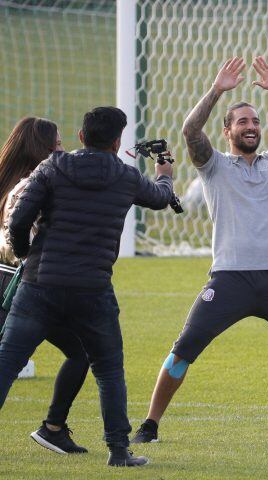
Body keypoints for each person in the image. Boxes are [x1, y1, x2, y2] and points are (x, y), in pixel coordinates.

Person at [130, 55, 268, 444]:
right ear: (227, 131)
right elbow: (189, 130)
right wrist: (218, 90)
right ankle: (150, 425)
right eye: (242, 122)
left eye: (255, 122)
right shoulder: (213, 166)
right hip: (229, 279)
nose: (251, 127)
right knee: (184, 348)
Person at [0, 106, 175, 467]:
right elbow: (159, 198)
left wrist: (26, 255)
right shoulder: (126, 176)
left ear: (81, 136)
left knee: (6, 363)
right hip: (92, 290)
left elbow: (18, 220)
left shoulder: (52, 167)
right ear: (117, 141)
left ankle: (58, 428)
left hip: (39, 286)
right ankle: (118, 450)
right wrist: (165, 174)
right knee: (108, 369)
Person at [0, 117, 92, 455]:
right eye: (57, 144)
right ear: (41, 149)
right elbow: (19, 240)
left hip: (15, 279)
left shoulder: (17, 182)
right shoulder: (30, 187)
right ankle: (53, 427)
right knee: (9, 362)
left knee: (79, 349)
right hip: (24, 284)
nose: (62, 150)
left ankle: (54, 428)